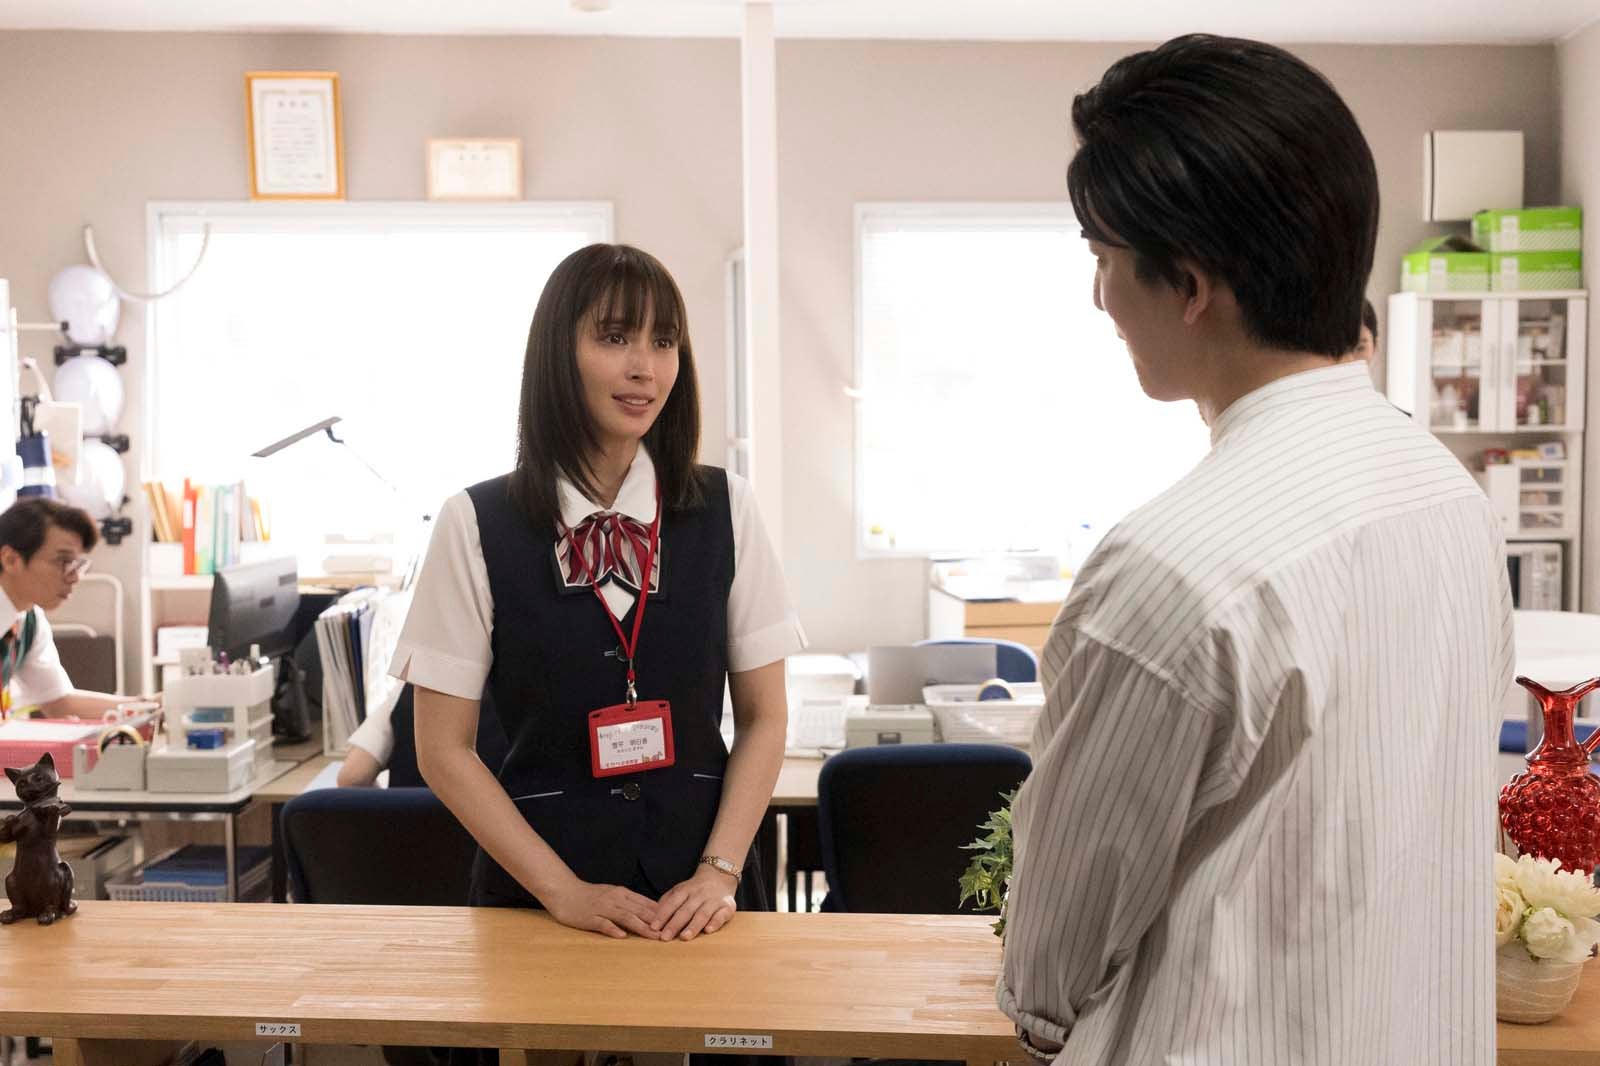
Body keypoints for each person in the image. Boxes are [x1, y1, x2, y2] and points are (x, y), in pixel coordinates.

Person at [999, 35, 1509, 1066]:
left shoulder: (1169, 568)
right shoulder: (1447, 497)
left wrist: (1043, 1015)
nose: (1100, 298)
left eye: (1103, 260)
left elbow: (1052, 960)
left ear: (1189, 284)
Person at [392, 244, 802, 959]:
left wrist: (719, 871)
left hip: (702, 899)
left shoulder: (727, 507)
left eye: (664, 342)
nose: (646, 367)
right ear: (559, 352)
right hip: (537, 904)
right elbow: (442, 750)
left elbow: (765, 717)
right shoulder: (474, 522)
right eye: (615, 338)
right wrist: (563, 892)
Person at [0, 497, 148, 718]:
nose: (75, 577)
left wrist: (149, 706)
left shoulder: (28, 621)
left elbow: (58, 702)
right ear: (11, 560)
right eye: (63, 562)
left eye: (77, 564)